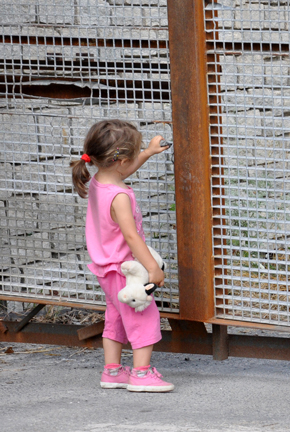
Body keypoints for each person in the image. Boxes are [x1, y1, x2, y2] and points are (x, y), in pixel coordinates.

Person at [69, 119, 174, 392]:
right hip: (125, 270)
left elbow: (121, 171)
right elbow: (131, 237)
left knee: (115, 316)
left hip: (106, 269)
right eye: (134, 154)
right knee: (143, 316)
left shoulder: (98, 181)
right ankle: (141, 374)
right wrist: (153, 268)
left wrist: (147, 153)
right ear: (122, 160)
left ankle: (113, 371)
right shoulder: (119, 196)